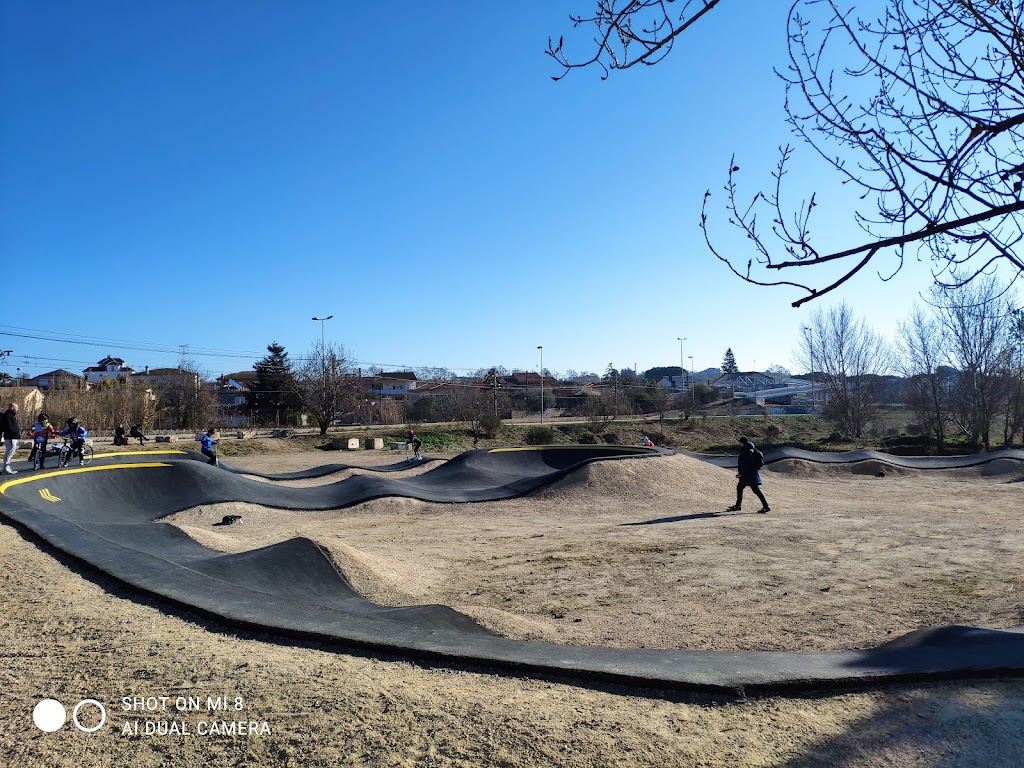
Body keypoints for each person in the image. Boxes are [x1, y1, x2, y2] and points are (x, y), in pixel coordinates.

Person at [726, 435, 771, 513]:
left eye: (740, 442)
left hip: (748, 475)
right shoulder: (751, 449)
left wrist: (741, 474)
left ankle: (765, 507)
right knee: (743, 488)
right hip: (751, 474)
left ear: (742, 442)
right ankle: (738, 506)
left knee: (753, 490)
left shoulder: (747, 451)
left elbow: (746, 464)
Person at [1, 402, 20, 475]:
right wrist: (14, 432)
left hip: (12, 437)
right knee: (9, 453)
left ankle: (5, 468)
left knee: (9, 453)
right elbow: (8, 426)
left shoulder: (11, 415)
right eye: (16, 407)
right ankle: (6, 468)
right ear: (12, 408)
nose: (17, 409)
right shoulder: (8, 415)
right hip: (11, 437)